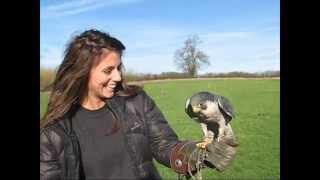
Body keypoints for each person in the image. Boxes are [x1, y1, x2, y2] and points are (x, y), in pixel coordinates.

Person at [40, 29, 237, 180]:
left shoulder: (135, 101)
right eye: (108, 70)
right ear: (81, 72)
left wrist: (196, 153)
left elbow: (163, 143)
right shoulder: (53, 133)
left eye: (118, 68)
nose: (117, 76)